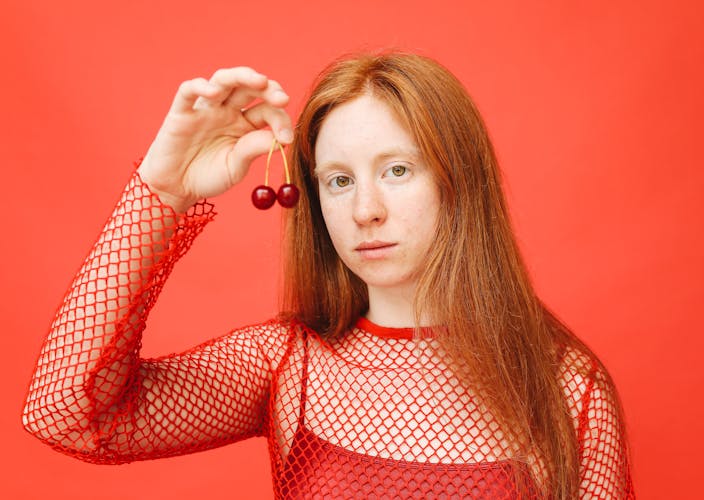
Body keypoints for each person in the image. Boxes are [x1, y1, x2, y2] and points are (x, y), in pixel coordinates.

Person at [21, 52, 635, 499]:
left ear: (459, 184)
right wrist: (162, 189)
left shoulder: (566, 388)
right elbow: (66, 415)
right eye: (338, 180)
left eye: (397, 170)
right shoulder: (288, 362)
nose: (365, 209)